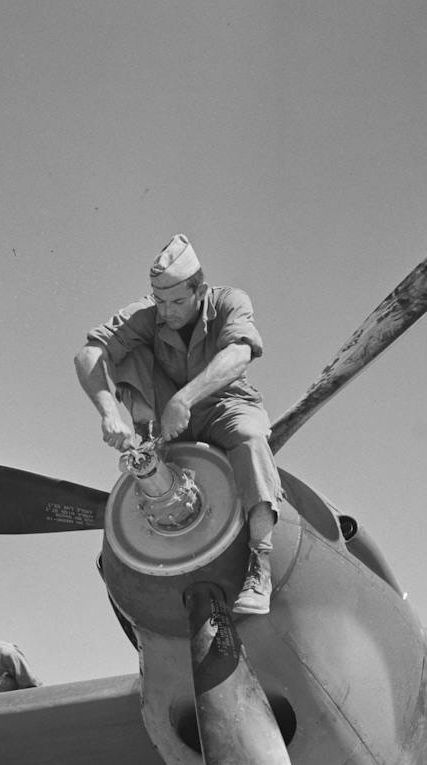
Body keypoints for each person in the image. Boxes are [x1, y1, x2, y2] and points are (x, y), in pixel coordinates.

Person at [74, 234, 281, 614]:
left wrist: (184, 398)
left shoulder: (230, 301)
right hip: (163, 423)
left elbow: (239, 353)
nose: (166, 311)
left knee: (251, 437)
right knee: (121, 350)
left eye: (177, 301)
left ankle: (260, 566)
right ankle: (148, 445)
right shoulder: (147, 315)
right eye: (160, 300)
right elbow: (87, 355)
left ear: (199, 289)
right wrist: (108, 412)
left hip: (225, 406)